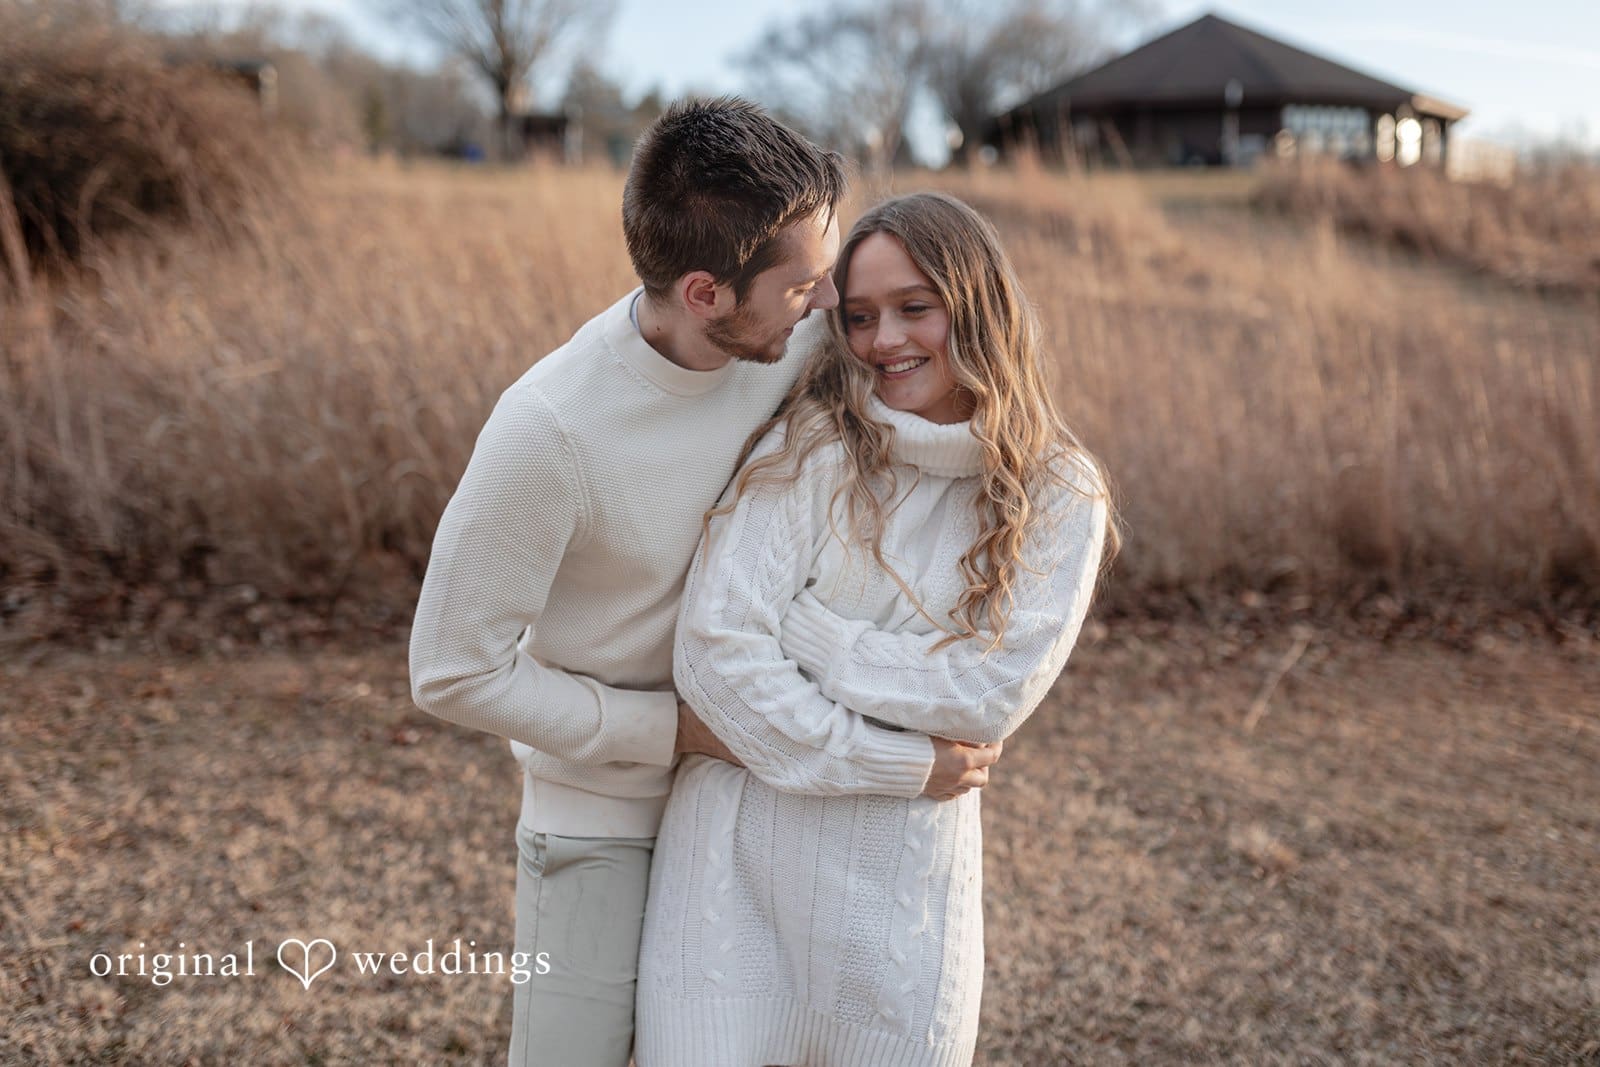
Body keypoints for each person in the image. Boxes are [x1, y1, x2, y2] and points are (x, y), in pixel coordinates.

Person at [408, 100, 1001, 1067]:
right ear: (705, 293)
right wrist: (670, 731)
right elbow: (448, 671)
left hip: (758, 794)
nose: (826, 309)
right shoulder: (549, 432)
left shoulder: (799, 344)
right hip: (605, 815)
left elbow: (931, 396)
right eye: (806, 285)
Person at [635, 192, 1117, 1067]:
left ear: (978, 304)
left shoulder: (1057, 488)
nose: (884, 340)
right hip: (728, 894)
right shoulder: (815, 445)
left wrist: (815, 640)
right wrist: (903, 759)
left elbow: (988, 691)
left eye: (914, 307)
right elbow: (714, 656)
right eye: (858, 317)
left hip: (897, 920)